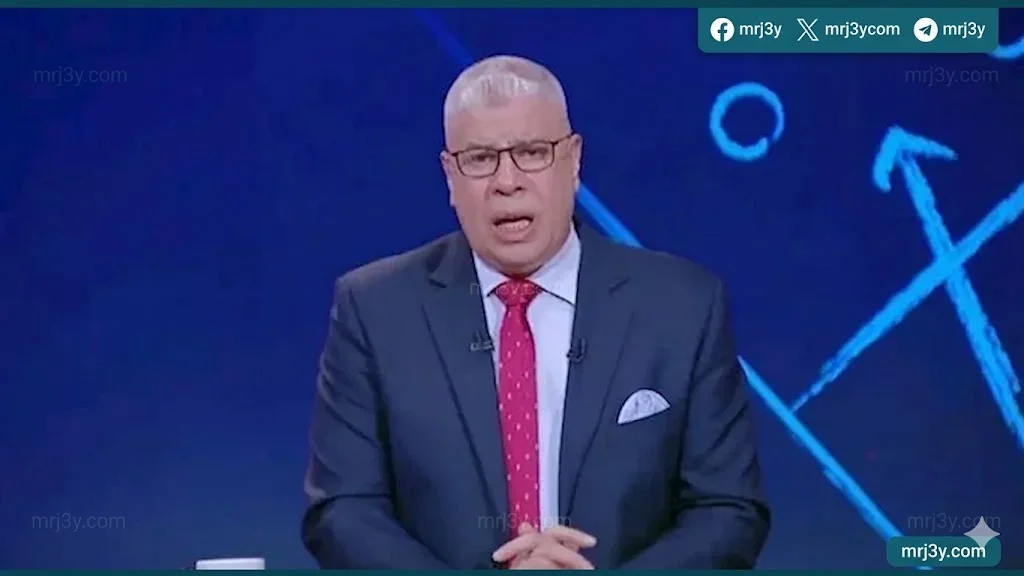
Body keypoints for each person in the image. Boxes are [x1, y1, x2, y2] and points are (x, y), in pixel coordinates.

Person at [301, 54, 770, 569]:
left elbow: (728, 510)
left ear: (574, 160)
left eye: (531, 153)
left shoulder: (683, 306)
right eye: (480, 158)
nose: (507, 181)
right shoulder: (374, 310)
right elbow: (343, 511)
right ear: (450, 176)